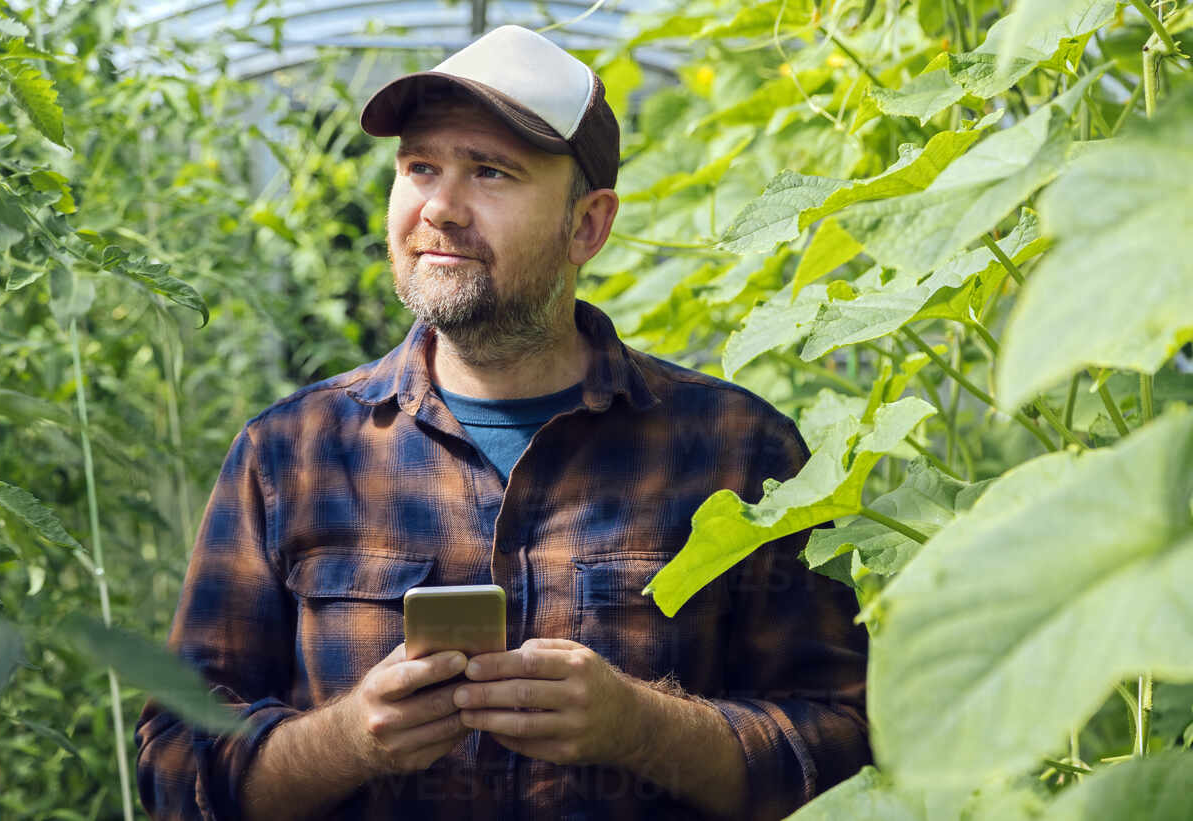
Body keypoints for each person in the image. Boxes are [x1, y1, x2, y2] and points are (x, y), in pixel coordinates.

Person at [135, 24, 869, 821]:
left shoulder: (737, 451)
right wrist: (346, 739)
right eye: (420, 167)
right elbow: (174, 766)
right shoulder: (289, 456)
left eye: (490, 172)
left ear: (587, 225)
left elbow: (846, 755)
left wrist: (644, 728)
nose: (441, 208)